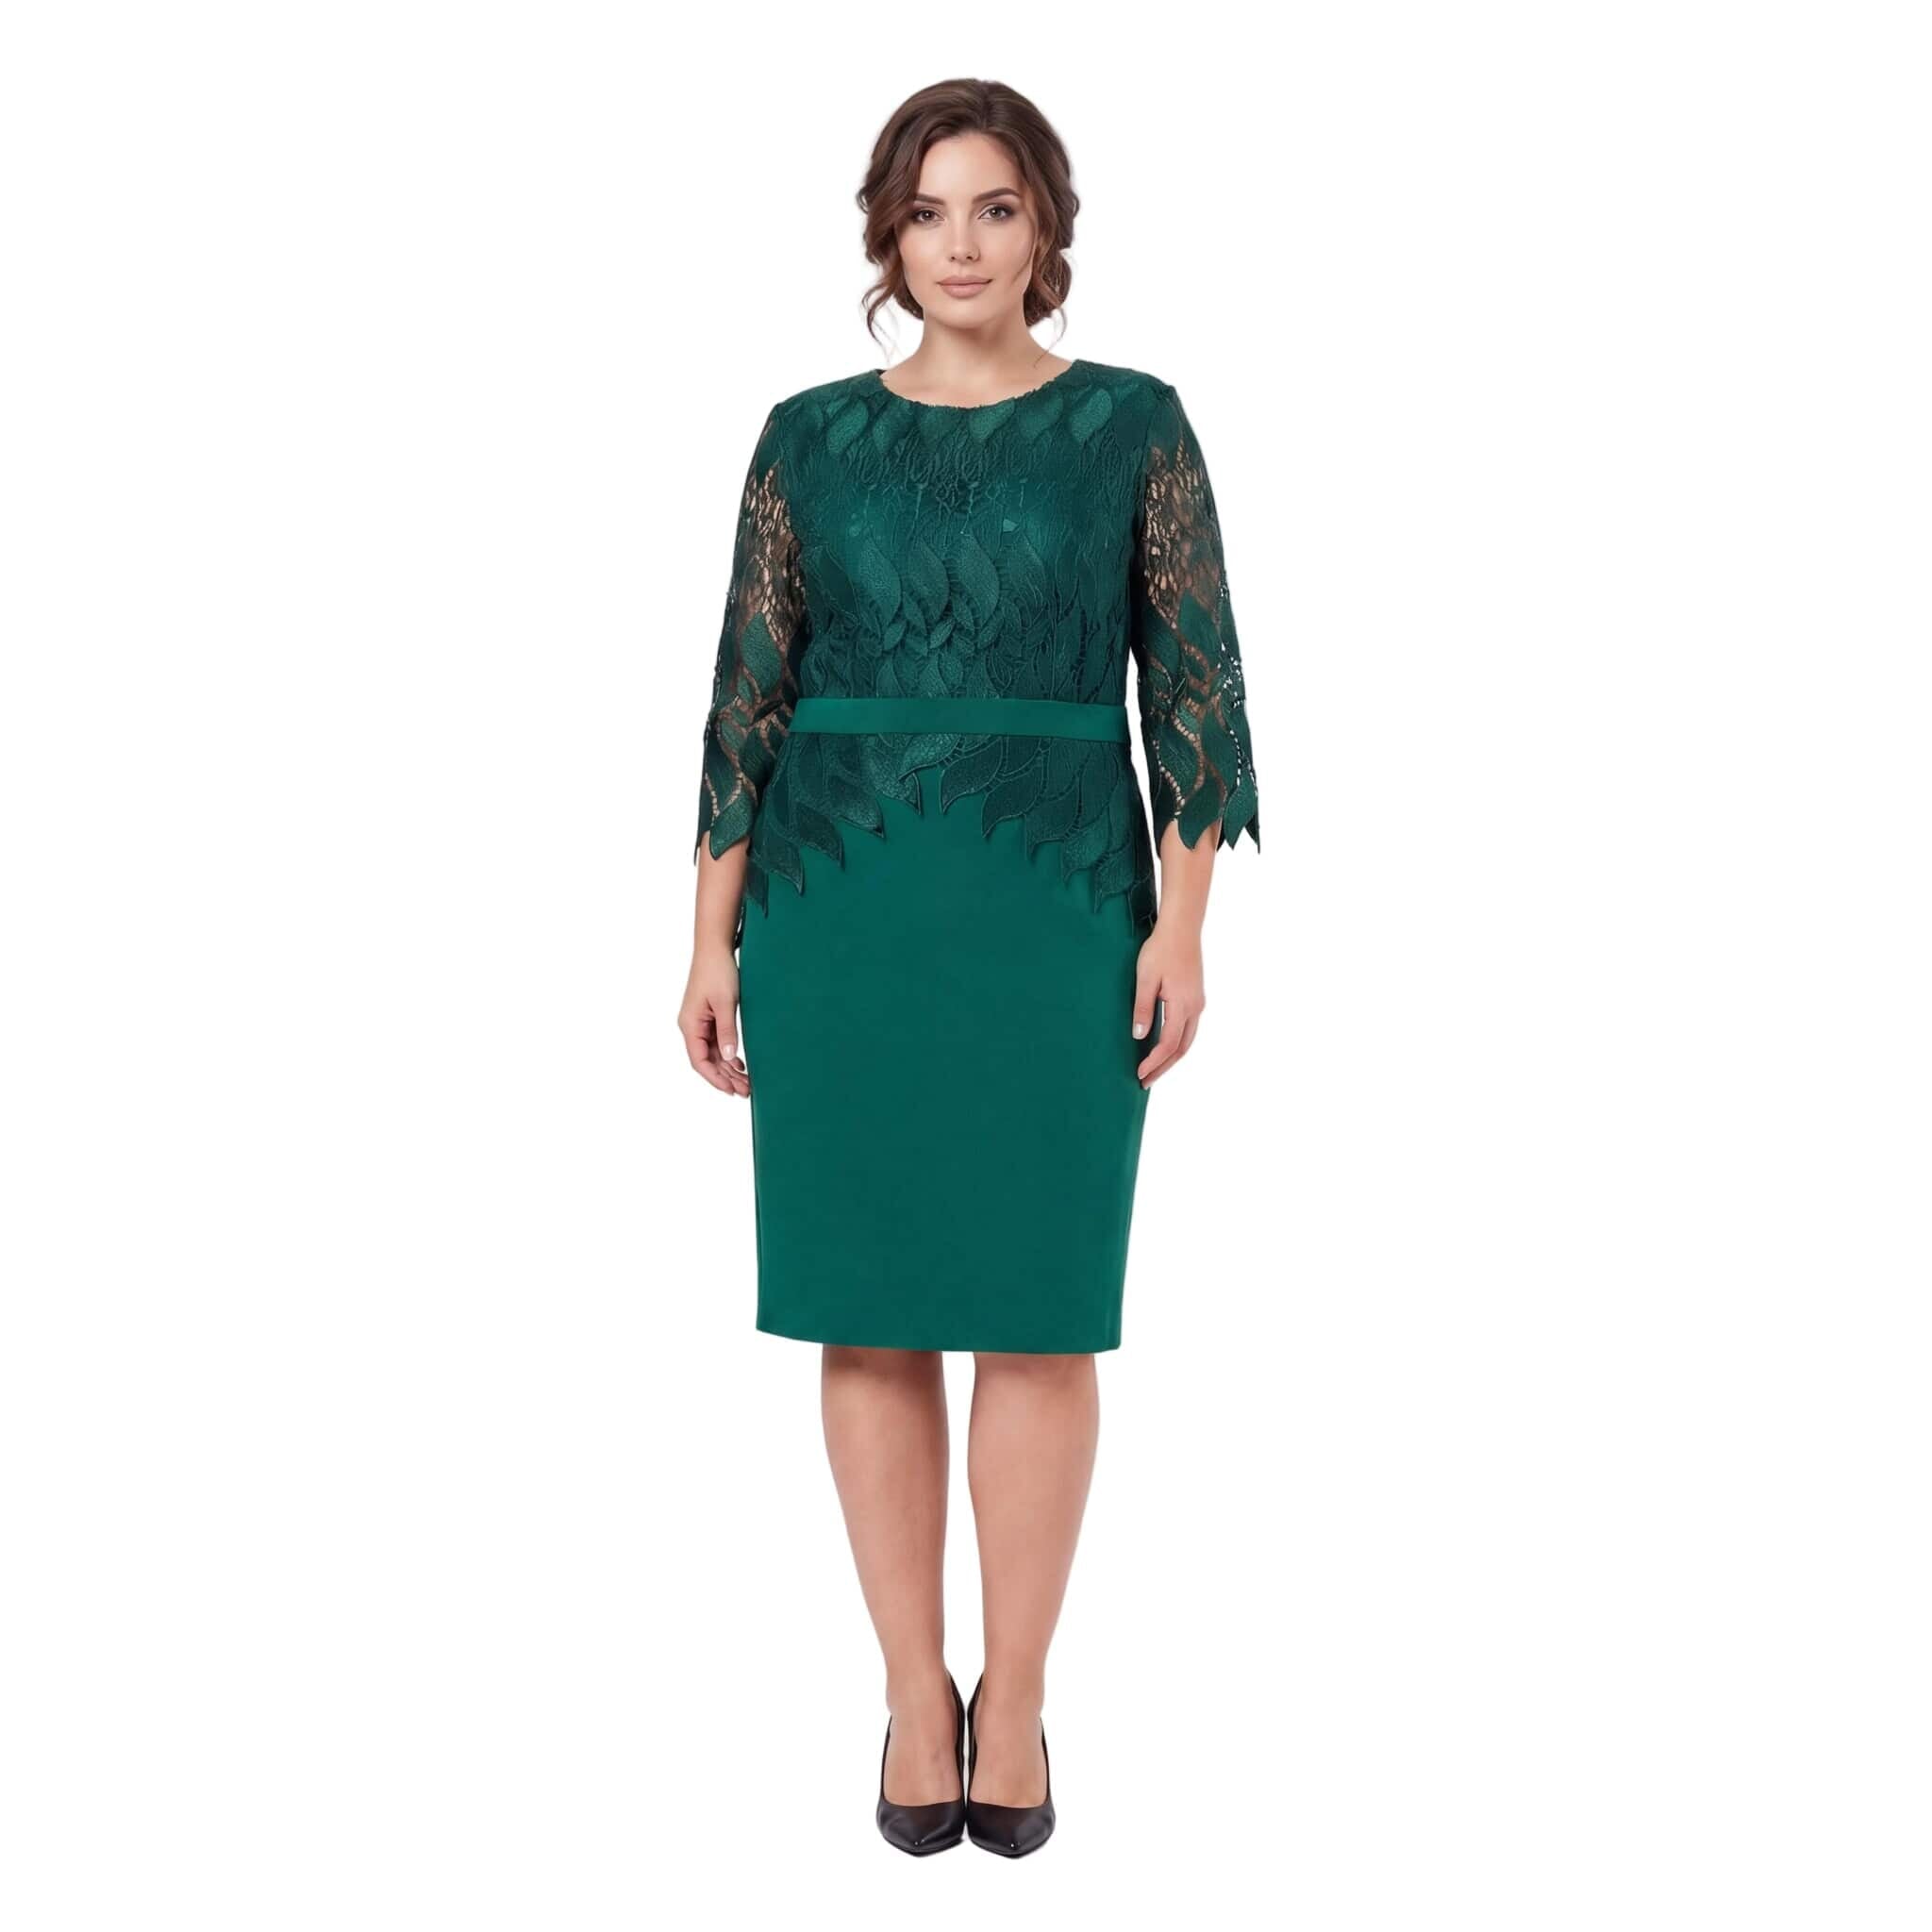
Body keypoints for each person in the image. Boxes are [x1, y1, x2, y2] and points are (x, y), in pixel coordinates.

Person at [677, 78, 1261, 1857]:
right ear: (886, 234)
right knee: (863, 1313)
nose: (960, 244)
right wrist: (706, 936)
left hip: (1056, 907)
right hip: (837, 905)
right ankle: (910, 1695)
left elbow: (1198, 687)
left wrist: (1182, 924)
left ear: (1046, 229)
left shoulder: (1133, 428)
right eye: (928, 212)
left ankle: (1016, 1699)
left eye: (996, 208)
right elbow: (747, 695)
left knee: (1037, 1310)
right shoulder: (804, 439)